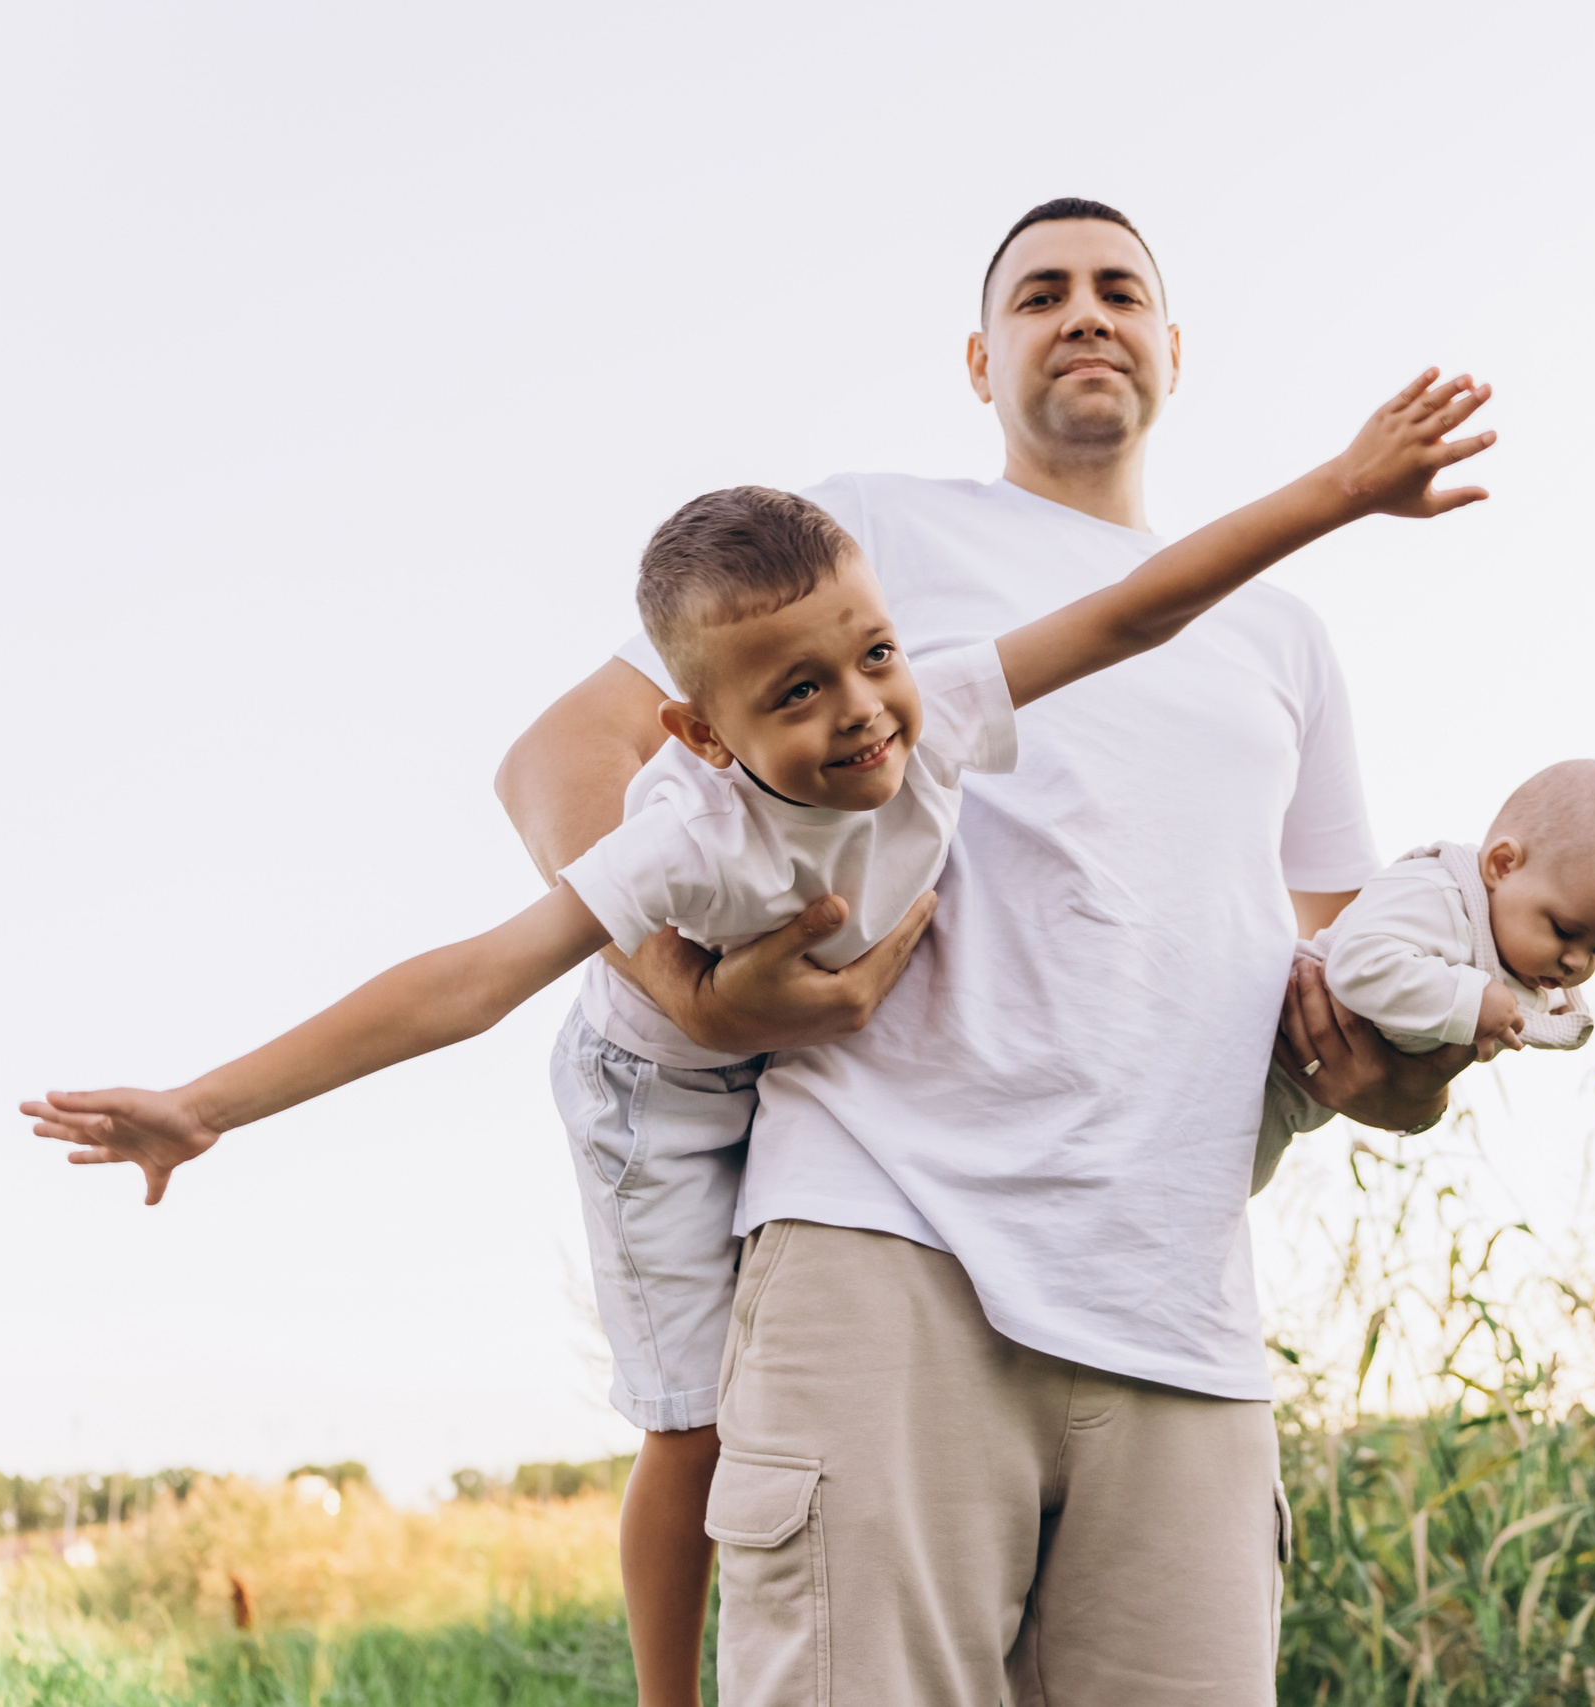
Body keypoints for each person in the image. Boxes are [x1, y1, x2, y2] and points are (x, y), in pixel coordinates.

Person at [22, 340, 1494, 1702]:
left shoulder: (942, 706)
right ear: (706, 735)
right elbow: (469, 980)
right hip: (654, 1093)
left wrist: (1346, 489)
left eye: (876, 655)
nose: (863, 712)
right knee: (686, 1422)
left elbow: (1137, 607)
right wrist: (210, 1101)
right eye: (801, 690)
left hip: (1072, 1250)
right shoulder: (690, 843)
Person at [490, 196, 1489, 1706]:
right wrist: (688, 985)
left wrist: (1408, 1073)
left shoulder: (1284, 639)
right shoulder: (870, 538)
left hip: (1179, 1305)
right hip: (888, 1245)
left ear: (1171, 347)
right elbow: (559, 756)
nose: (1082, 311)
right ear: (980, 358)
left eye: (1117, 289)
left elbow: (1349, 994)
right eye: (1040, 294)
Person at [1253, 759, 1595, 1191]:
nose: (1577, 963)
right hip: (1261, 1053)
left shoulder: (1515, 959)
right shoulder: (1436, 895)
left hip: (1288, 1108)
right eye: (1566, 931)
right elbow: (1355, 963)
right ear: (1503, 865)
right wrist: (1470, 1001)